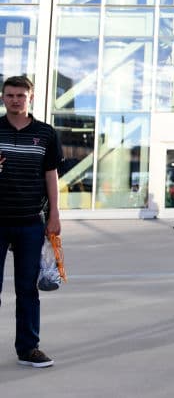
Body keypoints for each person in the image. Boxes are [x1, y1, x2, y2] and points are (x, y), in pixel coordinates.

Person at [0, 75, 62, 368]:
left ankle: (29, 348)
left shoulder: (46, 133)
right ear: (3, 97)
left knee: (27, 289)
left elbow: (51, 174)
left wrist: (55, 215)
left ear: (30, 98)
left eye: (20, 95)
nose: (15, 100)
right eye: (10, 95)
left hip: (30, 223)